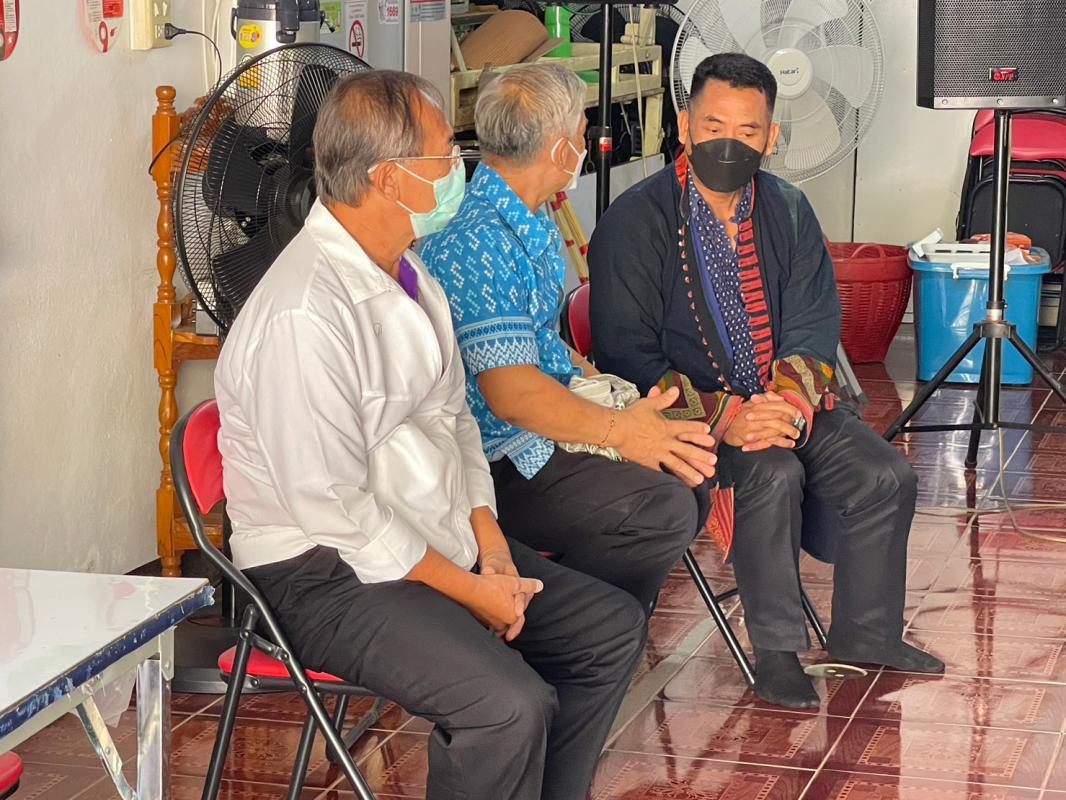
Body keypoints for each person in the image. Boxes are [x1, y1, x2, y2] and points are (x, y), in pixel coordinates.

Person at [214, 70, 646, 800]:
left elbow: (455, 423)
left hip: (427, 529)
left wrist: (492, 549)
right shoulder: (303, 315)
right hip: (323, 572)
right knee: (506, 708)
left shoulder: (409, 273)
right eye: (445, 154)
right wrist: (471, 590)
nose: (458, 169)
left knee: (607, 629)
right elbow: (336, 510)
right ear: (390, 178)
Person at [587, 53, 943, 710]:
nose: (729, 142)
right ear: (685, 126)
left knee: (884, 474)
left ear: (771, 136)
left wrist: (782, 405)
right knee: (770, 474)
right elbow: (625, 354)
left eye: (747, 131)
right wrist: (728, 418)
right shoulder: (633, 221)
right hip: (684, 420)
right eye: (714, 125)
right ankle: (776, 652)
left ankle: (868, 634)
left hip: (785, 405)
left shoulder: (788, 207)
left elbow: (814, 320)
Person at [422, 63, 718, 618]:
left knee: (687, 471)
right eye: (582, 132)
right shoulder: (477, 238)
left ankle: (602, 628)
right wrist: (621, 433)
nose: (586, 144)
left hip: (540, 427)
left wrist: (613, 395)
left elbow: (541, 344)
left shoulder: (526, 217)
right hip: (496, 458)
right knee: (660, 508)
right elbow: (512, 396)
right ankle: (562, 627)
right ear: (559, 150)